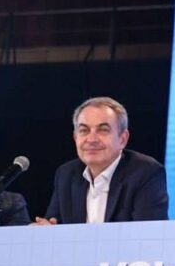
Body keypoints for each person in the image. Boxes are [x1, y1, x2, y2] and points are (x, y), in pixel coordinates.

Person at [35, 96, 168, 224]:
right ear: (75, 138)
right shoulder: (66, 174)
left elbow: (147, 234)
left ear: (122, 139)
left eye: (103, 130)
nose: (92, 139)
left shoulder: (145, 173)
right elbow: (54, 223)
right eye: (84, 130)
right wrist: (44, 229)